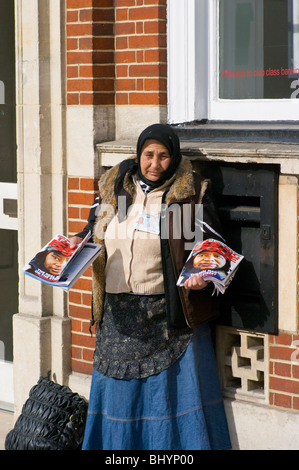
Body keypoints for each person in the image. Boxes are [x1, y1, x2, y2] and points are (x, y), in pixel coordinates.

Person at [70, 123, 232, 450]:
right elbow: (95, 228)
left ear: (172, 158)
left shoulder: (187, 195)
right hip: (117, 315)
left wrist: (204, 274)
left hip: (167, 316)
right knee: (119, 402)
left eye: (163, 156)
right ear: (139, 154)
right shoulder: (117, 188)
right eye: (148, 155)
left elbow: (212, 244)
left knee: (168, 404)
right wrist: (76, 242)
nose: (155, 164)